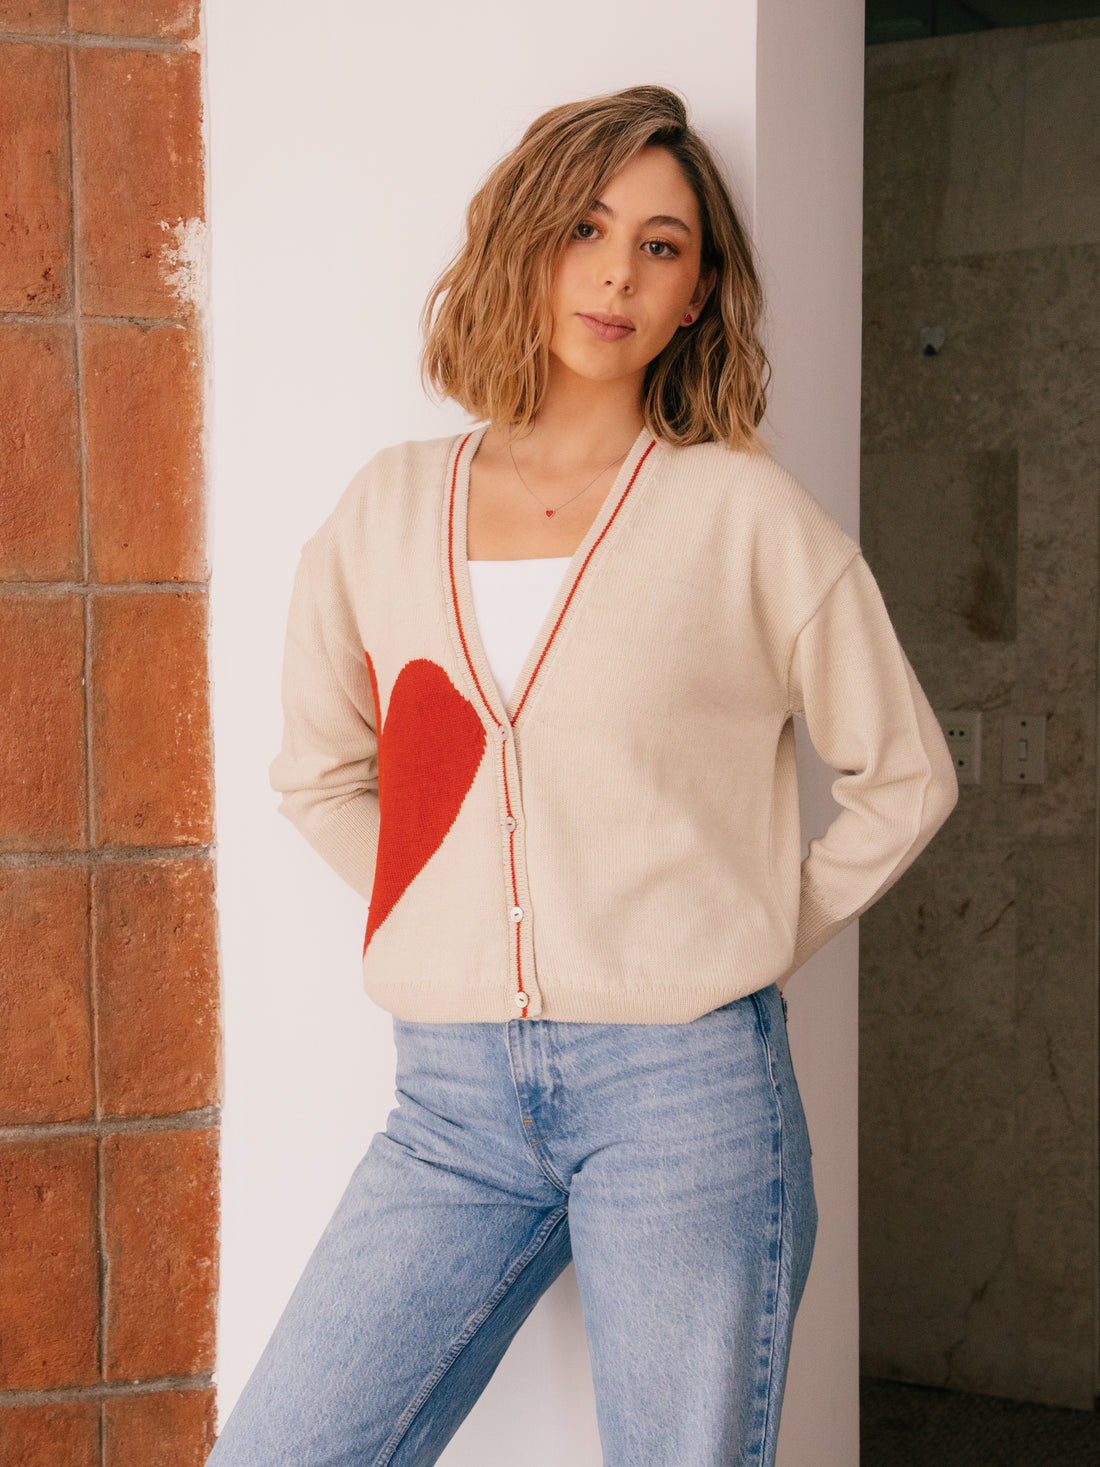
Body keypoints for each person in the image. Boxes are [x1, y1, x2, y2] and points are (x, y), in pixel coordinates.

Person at [205, 84, 957, 1467]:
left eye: (663, 245)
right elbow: (320, 773)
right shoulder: (384, 507)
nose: (617, 271)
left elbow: (904, 777)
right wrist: (441, 910)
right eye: (588, 226)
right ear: (526, 243)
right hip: (448, 1105)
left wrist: (739, 941)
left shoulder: (742, 515)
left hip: (689, 1098)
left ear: (697, 296)